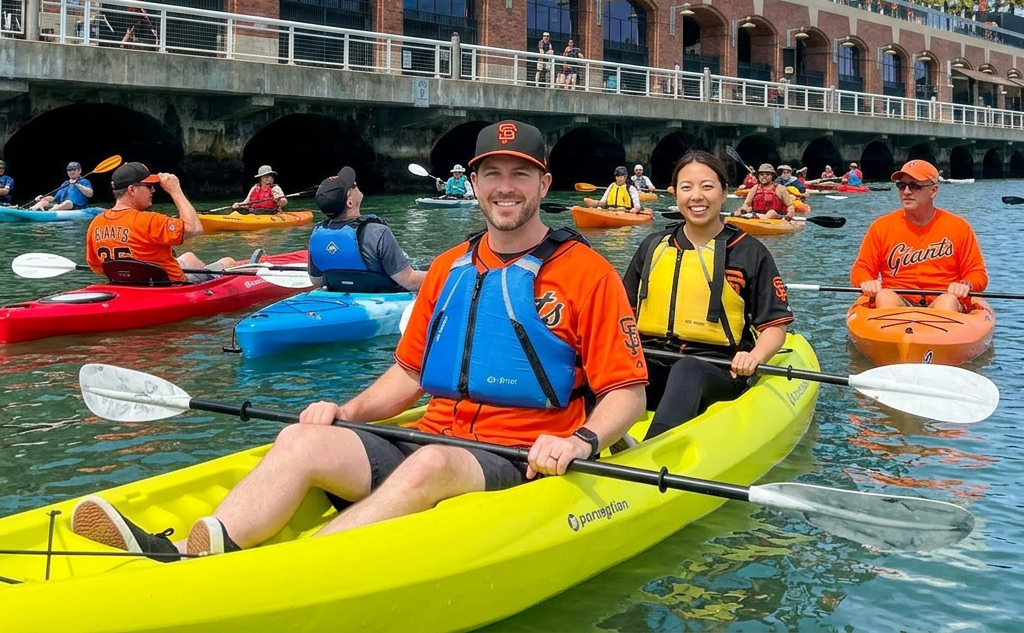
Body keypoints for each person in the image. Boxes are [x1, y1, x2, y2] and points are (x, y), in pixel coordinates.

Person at [71, 120, 647, 559]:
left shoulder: (586, 272)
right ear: (473, 184)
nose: (505, 188)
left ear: (543, 182)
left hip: (518, 455)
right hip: (432, 434)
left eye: (520, 173)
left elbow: (627, 391)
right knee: (302, 440)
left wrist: (583, 441)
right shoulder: (449, 267)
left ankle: (293, 571)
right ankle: (200, 549)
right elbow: (408, 376)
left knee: (430, 467)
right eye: (491, 174)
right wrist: (343, 411)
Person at [623, 150, 794, 439]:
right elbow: (621, 312)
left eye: (707, 186)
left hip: (719, 369)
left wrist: (756, 355)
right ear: (675, 194)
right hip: (651, 359)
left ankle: (649, 456)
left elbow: (775, 324)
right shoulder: (653, 246)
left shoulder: (749, 252)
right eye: (686, 187)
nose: (696, 196)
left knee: (688, 370)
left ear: (724, 193)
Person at [851, 159, 987, 313]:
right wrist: (866, 281)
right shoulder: (880, 226)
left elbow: (977, 273)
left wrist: (966, 285)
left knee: (947, 301)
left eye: (915, 186)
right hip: (897, 299)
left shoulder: (959, 227)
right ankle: (890, 336)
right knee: (884, 296)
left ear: (934, 190)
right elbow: (861, 268)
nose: (907, 192)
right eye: (902, 186)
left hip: (944, 300)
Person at [85, 162, 239, 283]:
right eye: (149, 186)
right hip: (170, 286)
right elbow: (195, 228)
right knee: (228, 261)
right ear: (132, 190)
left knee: (189, 256)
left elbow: (98, 268)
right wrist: (175, 191)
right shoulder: (149, 220)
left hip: (127, 284)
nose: (153, 191)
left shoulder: (96, 223)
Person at [309, 168, 425, 294]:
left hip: (342, 297)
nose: (356, 184)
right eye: (353, 185)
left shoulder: (317, 235)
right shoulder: (378, 232)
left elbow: (317, 282)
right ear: (349, 202)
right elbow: (410, 281)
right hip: (384, 300)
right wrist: (443, 276)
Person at [30, 161, 94, 212]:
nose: (71, 172)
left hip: (76, 207)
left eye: (73, 169)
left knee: (68, 202)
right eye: (69, 170)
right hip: (62, 205)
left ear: (79, 170)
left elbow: (90, 194)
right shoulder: (65, 183)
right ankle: (32, 209)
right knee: (45, 199)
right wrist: (43, 198)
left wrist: (77, 184)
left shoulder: (84, 181)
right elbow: (55, 199)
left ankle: (48, 212)